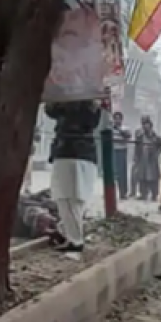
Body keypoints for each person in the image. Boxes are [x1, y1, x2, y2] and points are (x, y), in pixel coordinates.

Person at [43, 100, 101, 254]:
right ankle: (67, 232)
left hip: (68, 153)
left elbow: (50, 109)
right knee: (75, 200)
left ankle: (74, 241)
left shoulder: (71, 99)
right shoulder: (92, 102)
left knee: (67, 198)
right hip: (85, 154)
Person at [131, 117, 161, 202]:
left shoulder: (156, 136)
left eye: (147, 124)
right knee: (142, 176)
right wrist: (136, 157)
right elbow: (137, 147)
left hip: (152, 160)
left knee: (154, 177)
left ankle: (154, 194)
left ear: (150, 125)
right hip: (143, 159)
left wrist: (156, 154)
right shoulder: (140, 136)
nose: (145, 126)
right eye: (144, 124)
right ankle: (143, 194)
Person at [110, 112, 131, 199]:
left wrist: (119, 129)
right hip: (113, 151)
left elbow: (128, 136)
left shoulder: (125, 128)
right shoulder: (110, 129)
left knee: (122, 173)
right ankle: (111, 193)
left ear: (121, 119)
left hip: (122, 151)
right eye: (115, 118)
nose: (117, 120)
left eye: (119, 118)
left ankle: (123, 193)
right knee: (112, 173)